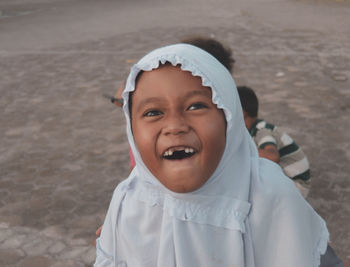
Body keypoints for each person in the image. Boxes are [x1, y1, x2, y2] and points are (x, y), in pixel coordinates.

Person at [94, 43, 329, 267]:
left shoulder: (270, 194)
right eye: (153, 112)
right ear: (131, 129)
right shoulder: (129, 200)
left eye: (195, 106)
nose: (174, 126)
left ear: (230, 118)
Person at [237, 85, 311, 198]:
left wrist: (241, 150)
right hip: (290, 180)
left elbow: (272, 156)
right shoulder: (251, 131)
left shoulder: (261, 130)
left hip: (297, 184)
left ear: (242, 112)